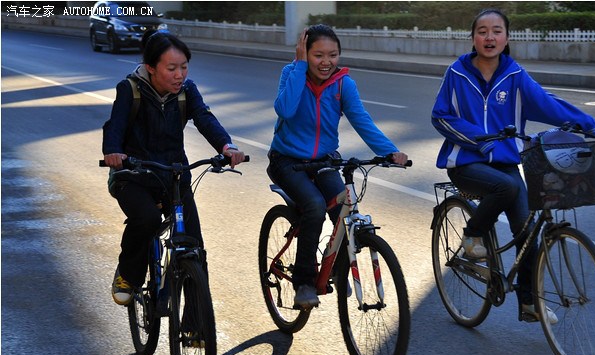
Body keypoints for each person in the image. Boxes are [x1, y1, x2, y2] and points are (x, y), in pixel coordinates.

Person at [430, 9, 595, 323]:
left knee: (528, 232)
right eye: (482, 31)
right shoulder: (457, 73)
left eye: (497, 31)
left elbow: (546, 102)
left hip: (506, 163)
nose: (489, 37)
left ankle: (529, 303)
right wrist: (479, 139)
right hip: (465, 163)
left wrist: (584, 122)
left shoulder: (515, 75)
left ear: (506, 37)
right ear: (473, 37)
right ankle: (472, 235)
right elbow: (441, 116)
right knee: (506, 188)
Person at [267, 24, 409, 308]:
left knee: (344, 208)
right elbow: (285, 109)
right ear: (305, 53)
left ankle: (338, 268)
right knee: (314, 206)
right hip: (287, 160)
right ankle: (304, 282)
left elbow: (361, 120)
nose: (326, 62)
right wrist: (299, 66)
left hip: (324, 160)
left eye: (332, 55)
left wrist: (389, 152)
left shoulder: (343, 84)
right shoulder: (291, 73)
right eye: (318, 55)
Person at [102, 31, 246, 305]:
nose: (179, 75)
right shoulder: (130, 89)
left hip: (173, 175)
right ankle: (128, 275)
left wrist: (226, 146)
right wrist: (113, 151)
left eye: (184, 67)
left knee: (193, 244)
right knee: (147, 220)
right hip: (133, 176)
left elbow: (204, 118)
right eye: (171, 68)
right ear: (151, 67)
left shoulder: (186, 91)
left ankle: (196, 321)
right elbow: (115, 126)